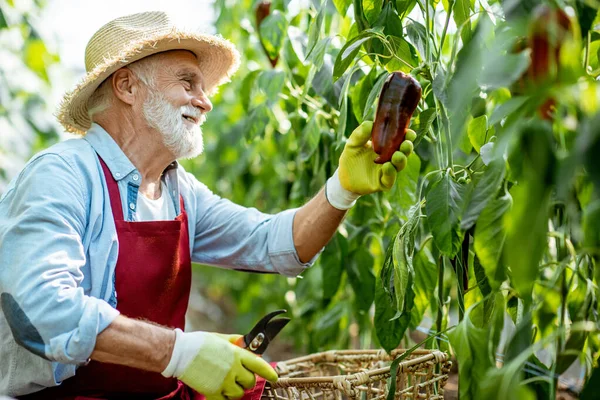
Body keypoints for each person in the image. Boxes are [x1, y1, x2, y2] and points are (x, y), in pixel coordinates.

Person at [0, 10, 416, 400]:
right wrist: (180, 353)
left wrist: (342, 188)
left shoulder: (178, 189)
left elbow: (277, 244)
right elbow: (39, 309)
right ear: (126, 86)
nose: (205, 101)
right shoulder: (62, 176)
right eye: (187, 83)